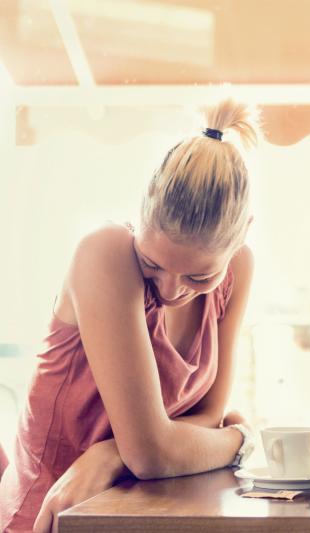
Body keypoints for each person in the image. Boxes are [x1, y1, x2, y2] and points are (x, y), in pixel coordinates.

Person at [0, 99, 259, 532]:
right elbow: (153, 453)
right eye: (153, 264)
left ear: (241, 237)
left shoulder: (239, 269)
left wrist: (111, 451)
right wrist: (243, 438)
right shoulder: (105, 252)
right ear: (139, 217)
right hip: (48, 516)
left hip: (136, 512)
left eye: (198, 276)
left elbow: (207, 415)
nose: (171, 289)